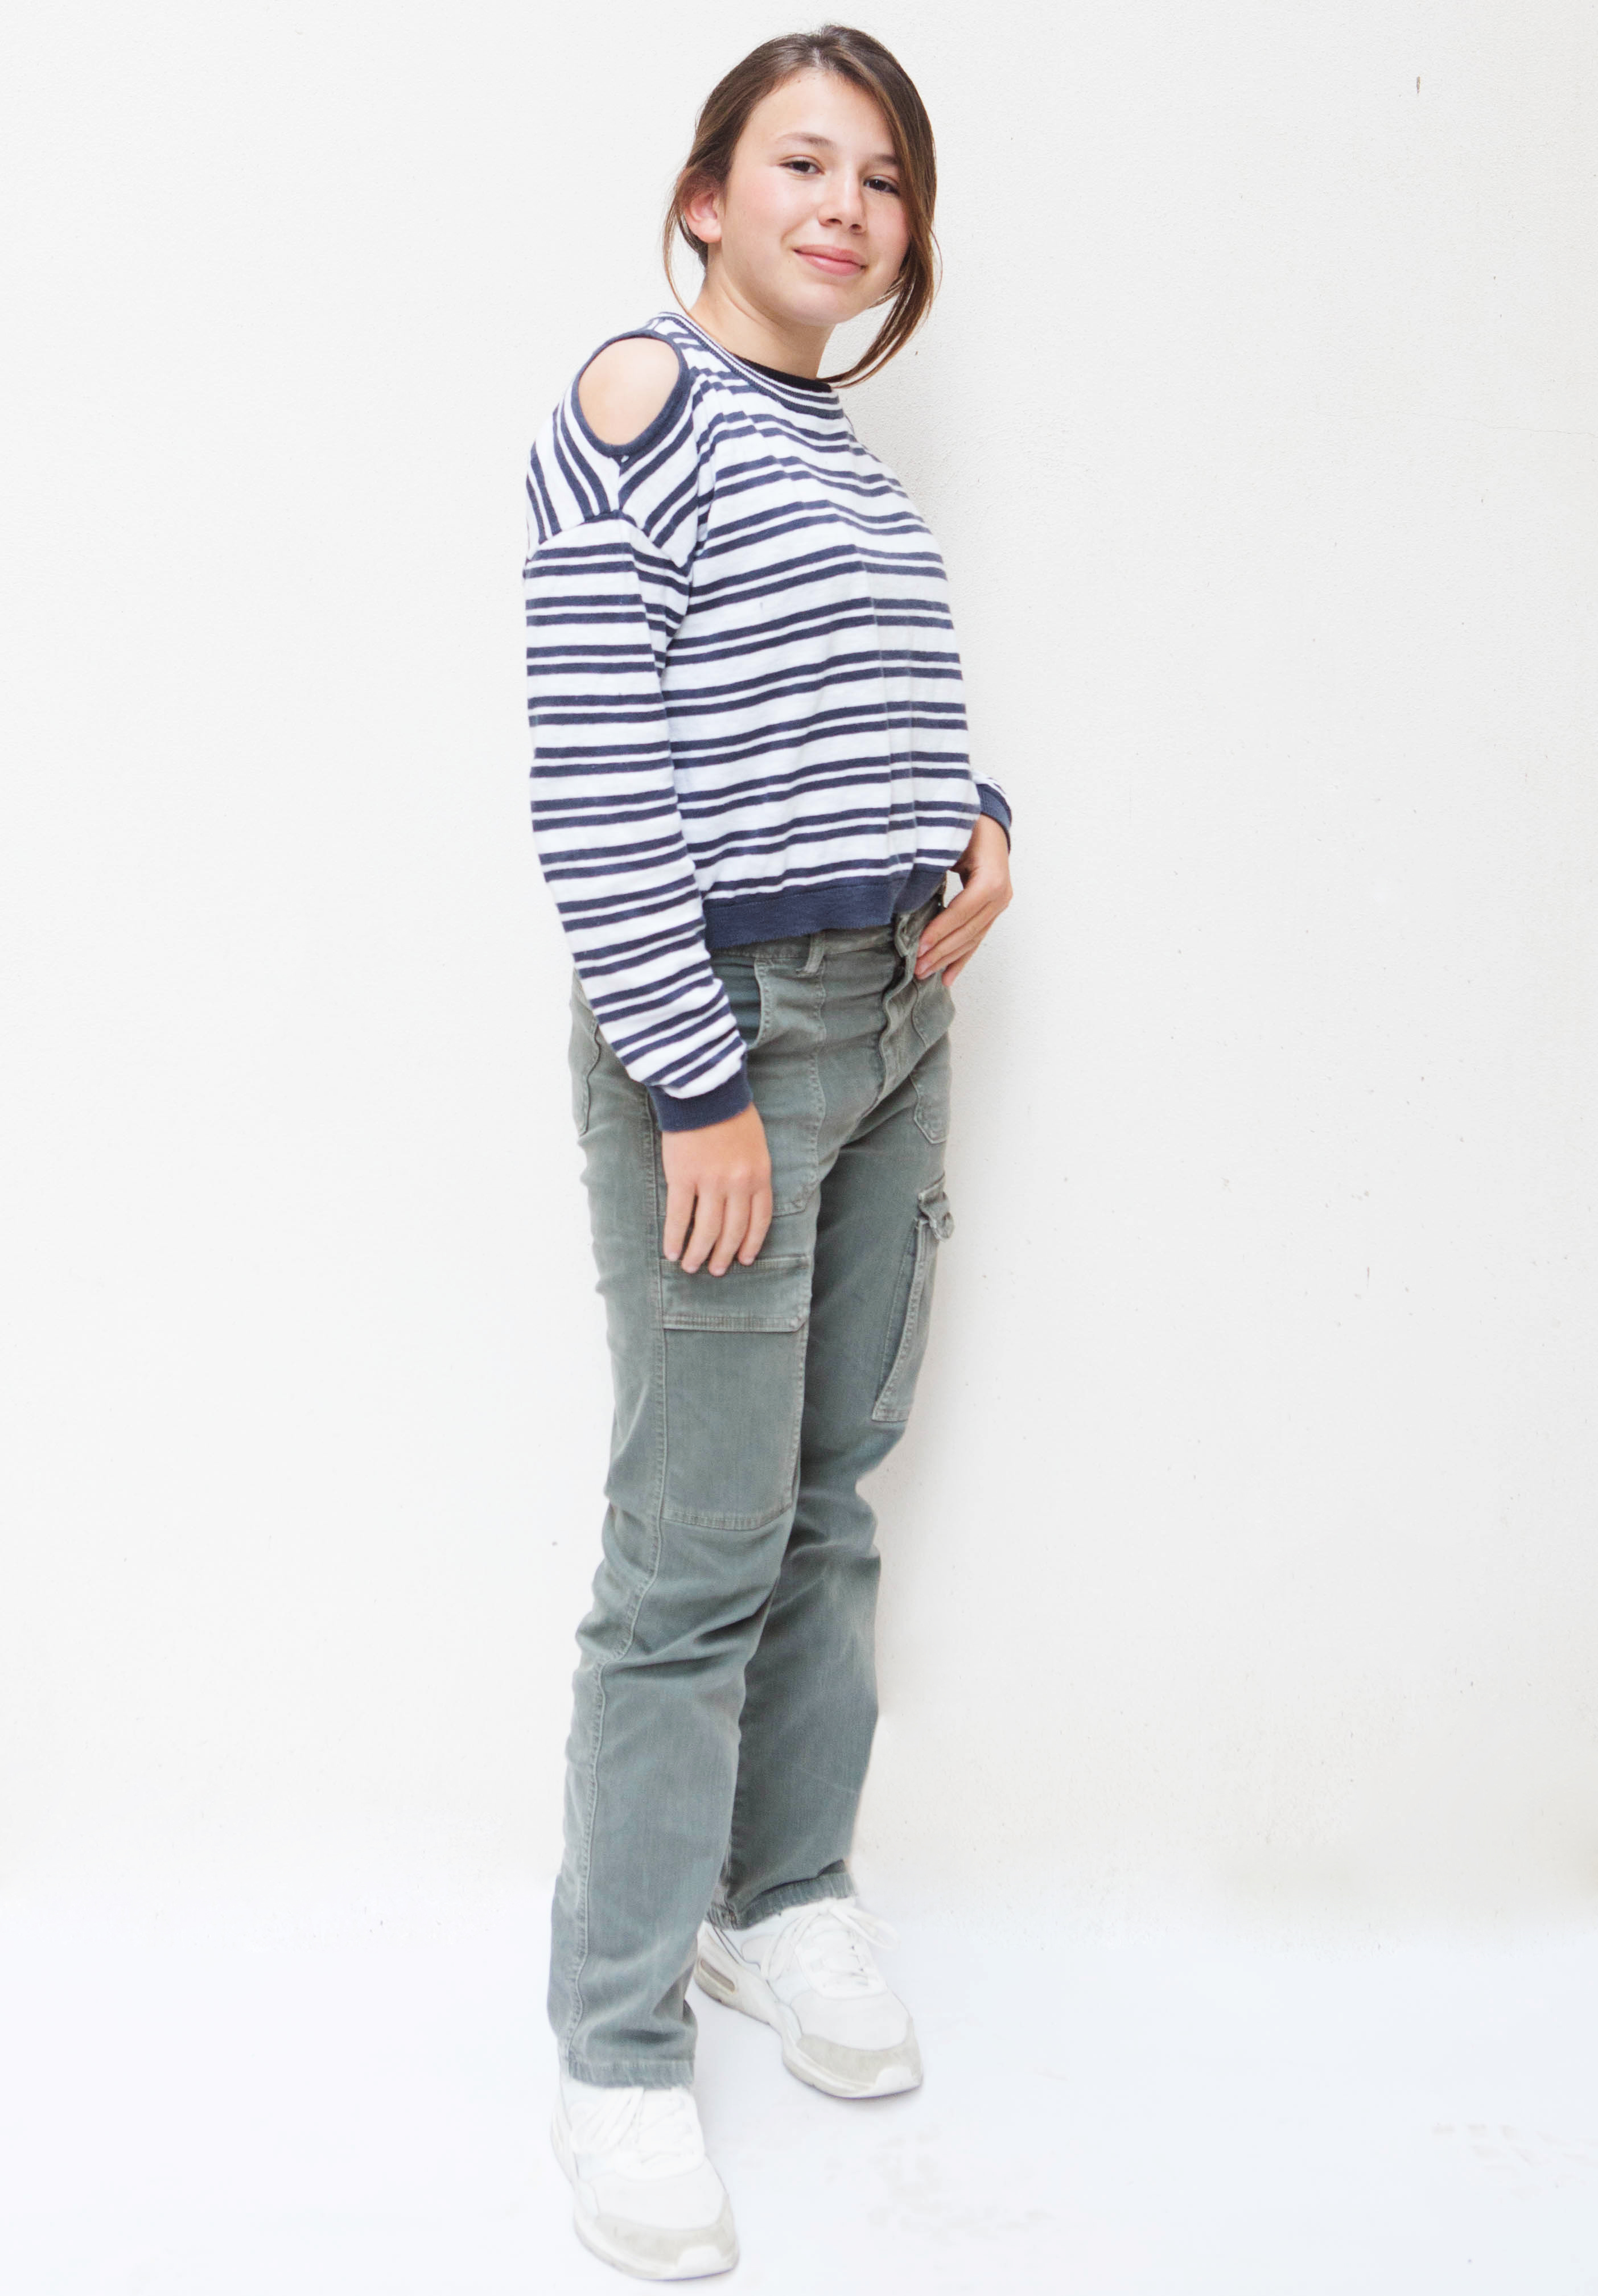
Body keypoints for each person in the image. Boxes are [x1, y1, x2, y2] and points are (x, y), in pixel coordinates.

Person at [520, 24, 1014, 2279]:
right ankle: (618, 2044)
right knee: (691, 1549)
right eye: (804, 162)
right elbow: (600, 776)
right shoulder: (646, 395)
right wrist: (694, 1080)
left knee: (829, 1497)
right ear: (706, 197)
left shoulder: (836, 450)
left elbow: (840, 715)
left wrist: (976, 823)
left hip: (896, 1021)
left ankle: (780, 1890)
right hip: (732, 1040)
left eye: (883, 180)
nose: (848, 205)